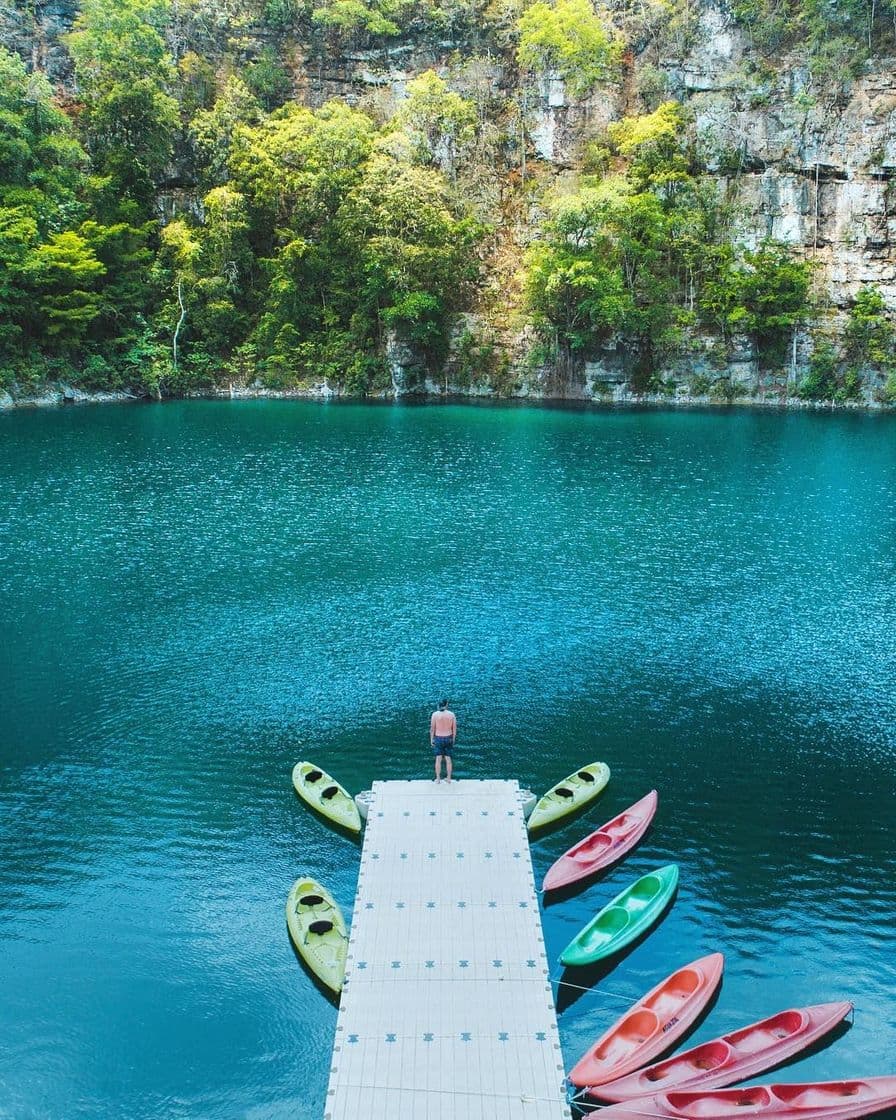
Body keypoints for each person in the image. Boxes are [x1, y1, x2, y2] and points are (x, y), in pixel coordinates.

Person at [430, 698, 456, 783]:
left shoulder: (435, 714)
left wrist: (431, 739)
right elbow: (454, 729)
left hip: (438, 738)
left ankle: (438, 779)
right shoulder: (451, 715)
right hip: (448, 738)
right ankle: (448, 778)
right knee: (448, 760)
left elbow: (432, 729)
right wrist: (453, 739)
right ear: (446, 705)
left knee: (438, 759)